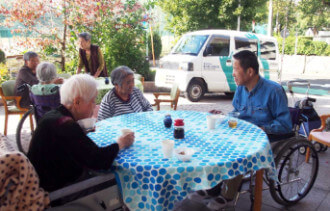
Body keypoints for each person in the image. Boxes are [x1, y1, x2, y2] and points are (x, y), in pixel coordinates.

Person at [191, 50, 292, 210]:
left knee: (237, 151)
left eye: (235, 69)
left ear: (250, 71)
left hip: (265, 138)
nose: (232, 74)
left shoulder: (273, 91)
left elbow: (286, 124)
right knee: (212, 140)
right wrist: (223, 116)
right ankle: (213, 186)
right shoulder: (240, 88)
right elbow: (237, 113)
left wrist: (262, 128)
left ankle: (228, 196)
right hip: (242, 132)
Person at [27, 74, 134, 192]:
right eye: (93, 102)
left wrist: (80, 132)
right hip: (57, 190)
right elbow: (98, 160)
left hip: (39, 179)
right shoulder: (66, 125)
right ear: (77, 102)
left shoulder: (53, 116)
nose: (95, 107)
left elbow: (69, 144)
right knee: (116, 179)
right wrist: (121, 143)